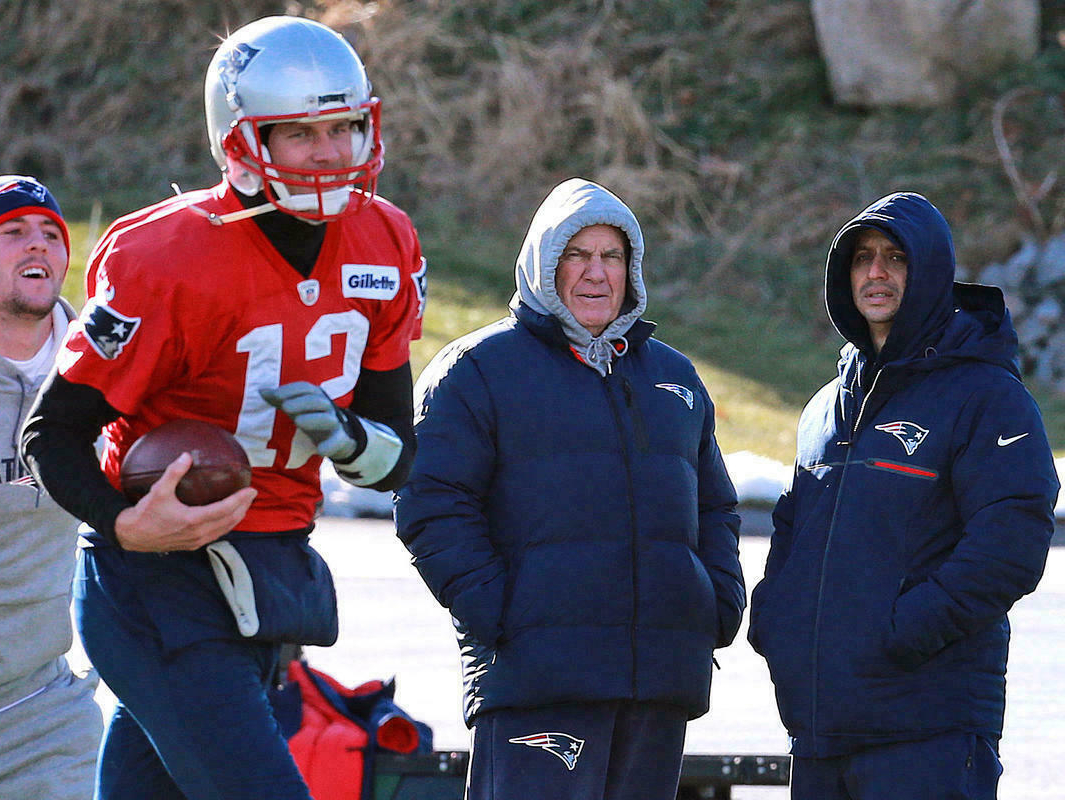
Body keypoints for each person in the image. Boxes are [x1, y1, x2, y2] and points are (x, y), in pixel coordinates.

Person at [20, 16, 426, 800]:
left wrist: (349, 439)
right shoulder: (166, 257)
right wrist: (124, 522)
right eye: (300, 133)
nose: (331, 152)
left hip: (270, 580)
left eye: (343, 127)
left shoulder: (385, 240)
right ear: (241, 142)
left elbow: (396, 458)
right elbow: (52, 432)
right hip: (156, 585)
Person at [394, 178, 746, 800]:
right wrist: (500, 614)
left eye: (612, 256)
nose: (596, 273)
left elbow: (715, 506)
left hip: (659, 680)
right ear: (543, 265)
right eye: (576, 255)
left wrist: (713, 604)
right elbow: (431, 505)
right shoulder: (477, 370)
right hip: (538, 680)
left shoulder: (675, 377)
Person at [747, 192, 1060, 799]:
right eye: (862, 257)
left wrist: (900, 632)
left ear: (931, 272)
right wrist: (777, 623)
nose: (877, 272)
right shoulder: (826, 407)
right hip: (821, 733)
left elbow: (1012, 543)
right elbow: (791, 529)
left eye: (896, 258)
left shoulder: (987, 394)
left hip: (927, 730)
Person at [0, 175, 103, 798]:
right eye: (12, 231)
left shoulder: (101, 368)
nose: (38, 243)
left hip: (38, 718)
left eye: (51, 233)